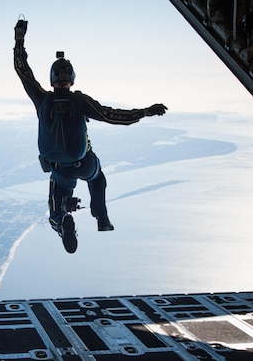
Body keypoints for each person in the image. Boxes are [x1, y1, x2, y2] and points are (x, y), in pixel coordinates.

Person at [13, 19, 167, 253]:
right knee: (97, 179)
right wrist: (144, 112)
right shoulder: (80, 100)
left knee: (55, 211)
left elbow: (22, 71)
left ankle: (62, 220)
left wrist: (19, 41)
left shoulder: (42, 99)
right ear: (72, 79)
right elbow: (112, 116)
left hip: (59, 168)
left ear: (52, 79)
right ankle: (102, 219)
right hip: (84, 163)